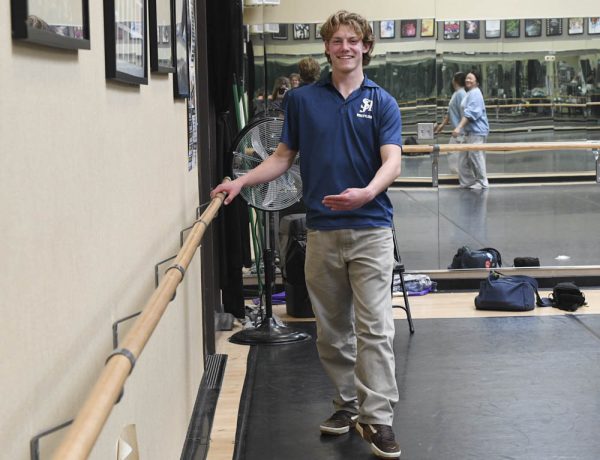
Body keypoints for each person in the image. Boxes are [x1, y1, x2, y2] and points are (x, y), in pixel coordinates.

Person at [211, 10, 402, 459]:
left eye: (353, 40)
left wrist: (367, 192)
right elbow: (282, 158)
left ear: (366, 46)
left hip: (371, 228)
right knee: (332, 333)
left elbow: (392, 160)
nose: (345, 47)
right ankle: (348, 404)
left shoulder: (384, 101)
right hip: (322, 232)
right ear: (326, 48)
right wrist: (240, 180)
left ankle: (378, 418)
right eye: (336, 40)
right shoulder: (302, 101)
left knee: (375, 327)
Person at [452, 70, 489, 189]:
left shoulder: (476, 93)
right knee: (463, 159)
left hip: (477, 131)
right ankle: (467, 182)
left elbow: (470, 114)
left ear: (477, 82)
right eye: (467, 78)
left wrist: (459, 127)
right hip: (469, 132)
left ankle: (483, 182)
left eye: (471, 79)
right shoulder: (469, 93)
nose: (468, 80)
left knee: (476, 156)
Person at [434, 72, 467, 174]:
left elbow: (465, 112)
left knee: (453, 152)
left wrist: (460, 128)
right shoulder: (456, 93)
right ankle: (458, 174)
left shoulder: (461, 94)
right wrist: (442, 125)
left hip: (461, 132)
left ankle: (458, 174)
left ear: (455, 81)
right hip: (458, 130)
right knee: (454, 152)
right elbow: (450, 112)